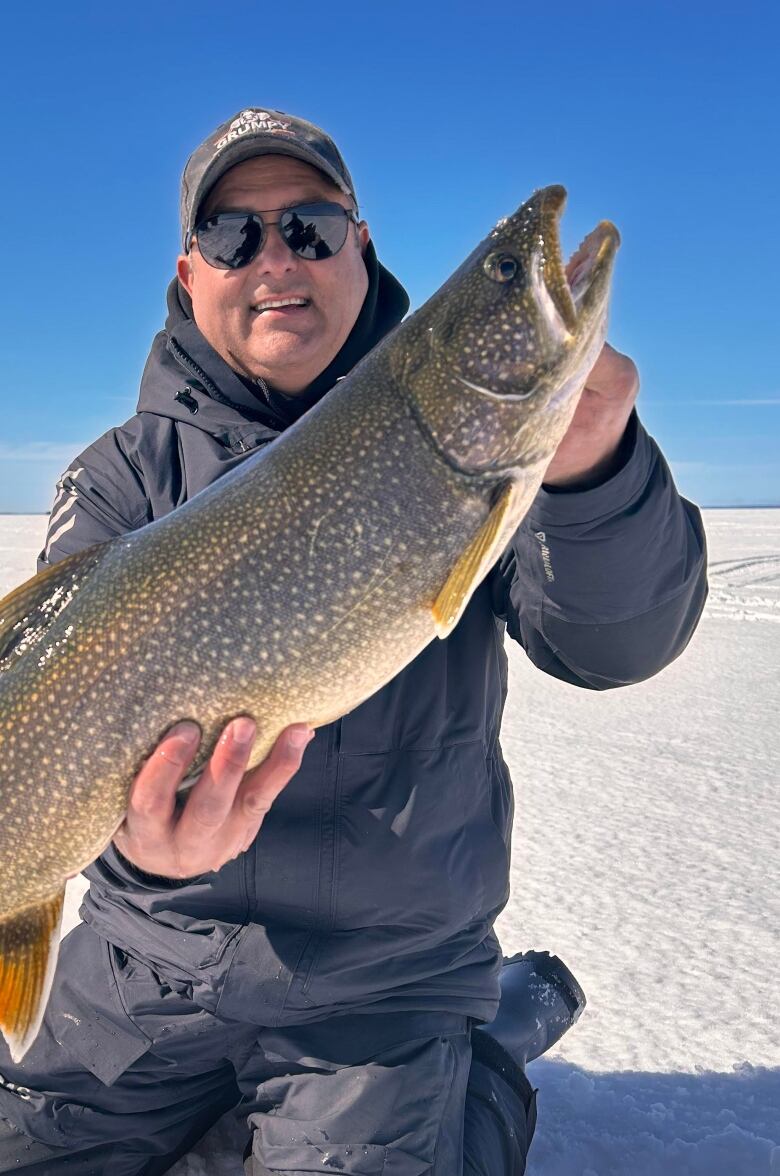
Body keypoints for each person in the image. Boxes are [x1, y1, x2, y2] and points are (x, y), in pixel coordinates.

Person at [0, 108, 707, 1174]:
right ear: (191, 272)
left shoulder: (455, 447)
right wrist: (135, 848)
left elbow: (613, 643)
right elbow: (45, 710)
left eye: (310, 227)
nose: (275, 259)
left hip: (378, 986)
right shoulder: (122, 477)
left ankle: (482, 1073)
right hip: (140, 971)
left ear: (360, 247)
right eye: (236, 236)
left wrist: (595, 471)